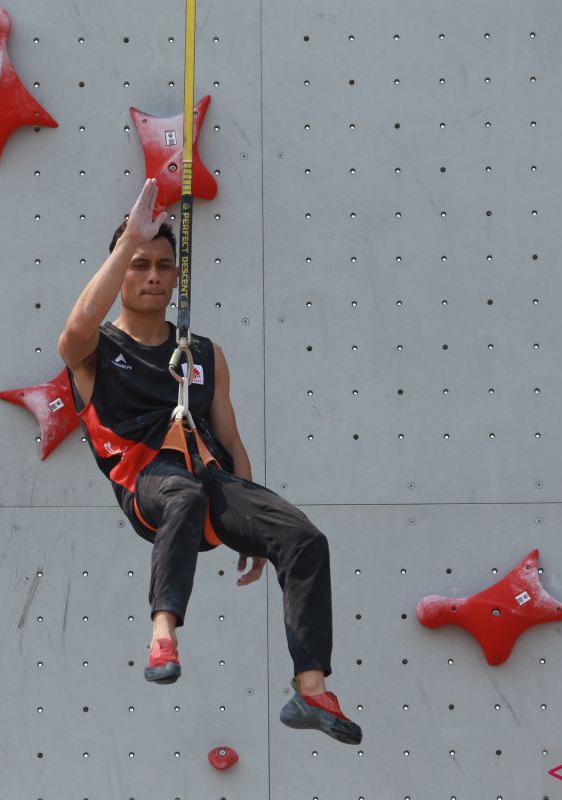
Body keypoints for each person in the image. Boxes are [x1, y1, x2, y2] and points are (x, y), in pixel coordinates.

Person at [57, 178, 362, 745]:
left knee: (303, 538)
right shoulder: (97, 349)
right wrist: (130, 237)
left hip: (207, 478)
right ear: (120, 271)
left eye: (163, 266)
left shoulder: (201, 353)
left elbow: (231, 441)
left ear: (178, 277)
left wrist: (251, 532)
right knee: (183, 494)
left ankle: (311, 689)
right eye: (139, 264)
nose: (152, 276)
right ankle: (163, 632)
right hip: (148, 484)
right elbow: (72, 332)